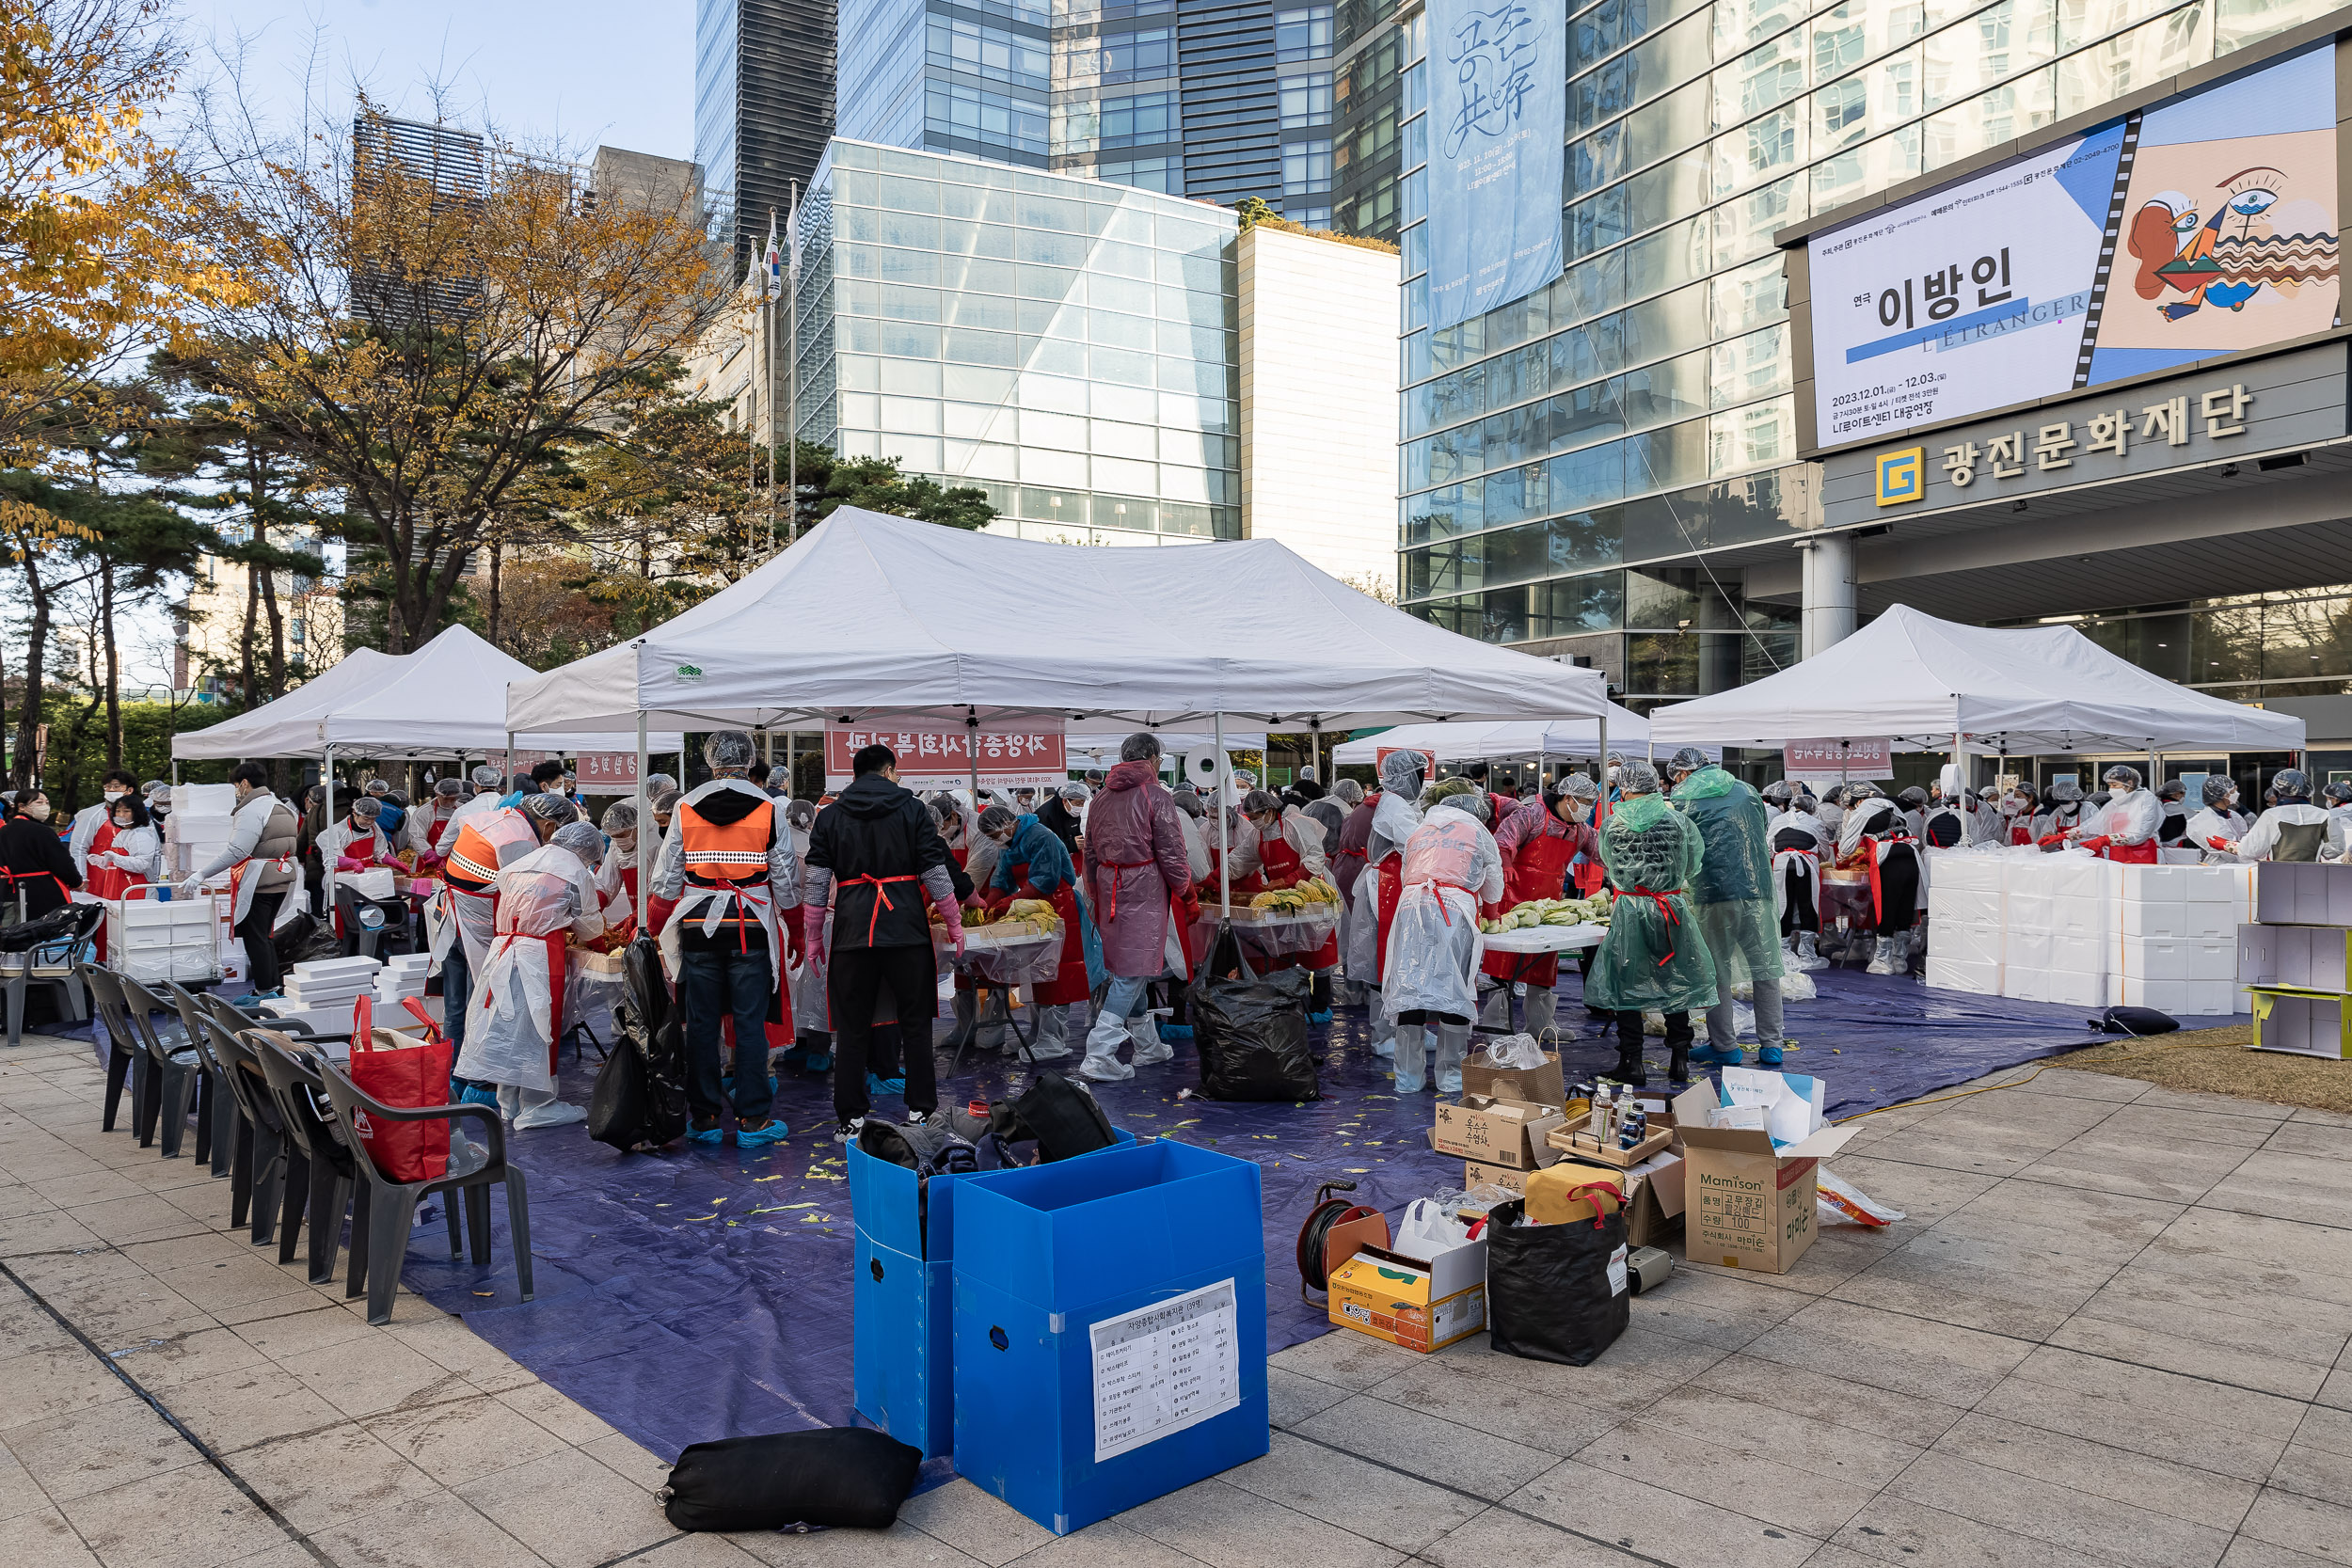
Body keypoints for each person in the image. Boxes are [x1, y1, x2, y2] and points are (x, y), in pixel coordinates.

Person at [651, 731, 803, 1148]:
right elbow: (786, 877)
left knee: (700, 1026)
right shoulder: (769, 807)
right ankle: (753, 1120)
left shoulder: (684, 806)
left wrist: (652, 925)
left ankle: (704, 1119)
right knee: (749, 1024)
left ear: (710, 761)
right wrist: (796, 928)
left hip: (697, 929)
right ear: (751, 760)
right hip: (749, 927)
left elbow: (666, 878)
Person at [803, 742, 959, 1137]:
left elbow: (817, 880)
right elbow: (935, 870)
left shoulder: (830, 816)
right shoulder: (913, 810)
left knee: (852, 1026)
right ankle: (921, 1112)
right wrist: (954, 922)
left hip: (853, 933)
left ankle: (851, 1119)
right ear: (889, 772)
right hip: (905, 929)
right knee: (916, 1023)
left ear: (855, 775)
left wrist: (812, 937)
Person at [455, 818, 609, 1129]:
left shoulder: (519, 863)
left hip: (502, 949)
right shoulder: (575, 871)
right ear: (588, 853)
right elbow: (589, 925)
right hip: (539, 954)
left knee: (509, 1023)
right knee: (540, 1027)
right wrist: (601, 943)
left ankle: (508, 1102)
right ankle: (539, 1105)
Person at [1584, 761, 1712, 1084]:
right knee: (1675, 980)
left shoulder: (1611, 825)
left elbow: (1609, 864)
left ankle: (1633, 1061)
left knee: (1626, 984)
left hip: (1629, 910)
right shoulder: (1679, 821)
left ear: (1624, 788)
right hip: (1670, 908)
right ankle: (1680, 1059)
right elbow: (1693, 862)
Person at [1079, 734, 1196, 1081]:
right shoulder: (1156, 795)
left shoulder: (1100, 797)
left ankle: (1148, 1045)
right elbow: (1173, 852)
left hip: (1108, 884)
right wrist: (1186, 892)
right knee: (1132, 972)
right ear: (1154, 758)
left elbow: (1088, 852)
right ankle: (1099, 1054)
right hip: (1142, 886)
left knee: (1131, 969)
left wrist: (1093, 889)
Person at [1381, 782, 1502, 1094]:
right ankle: (1451, 1078)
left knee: (1410, 987)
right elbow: (1493, 885)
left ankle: (1408, 1078)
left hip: (1410, 910)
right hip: (1454, 912)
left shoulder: (1420, 832)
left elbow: (1408, 872)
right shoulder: (1477, 832)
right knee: (1454, 988)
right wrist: (1492, 913)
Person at [1669, 749, 1787, 1069]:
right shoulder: (1747, 791)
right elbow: (1759, 833)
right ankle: (1772, 1045)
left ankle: (1725, 1045)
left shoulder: (1683, 799)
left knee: (1716, 971)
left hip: (1714, 893)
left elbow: (1683, 846)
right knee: (1766, 970)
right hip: (1758, 891)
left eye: (1676, 776)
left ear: (1684, 772)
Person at [439, 791, 556, 1066]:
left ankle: (450, 1067)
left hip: (452, 922)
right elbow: (522, 894)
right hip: (477, 930)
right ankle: (474, 1072)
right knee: (476, 1002)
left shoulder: (490, 819)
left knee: (454, 1004)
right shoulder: (519, 839)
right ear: (549, 824)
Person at [1480, 772, 1599, 1039]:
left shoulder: (1580, 830)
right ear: (1568, 798)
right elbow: (1502, 841)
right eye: (1585, 801)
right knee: (1503, 970)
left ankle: (1542, 1025)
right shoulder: (1531, 814)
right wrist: (1507, 862)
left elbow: (1602, 852)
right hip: (1512, 903)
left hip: (1547, 908)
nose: (1588, 808)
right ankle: (1496, 1027)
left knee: (1543, 968)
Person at [979, 799, 1092, 1061]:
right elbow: (1002, 880)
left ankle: (1054, 1040)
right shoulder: (1009, 844)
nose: (997, 840)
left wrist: (1010, 902)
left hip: (1059, 906)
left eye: (996, 835)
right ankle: (1038, 1033)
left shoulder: (1041, 836)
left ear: (1008, 824)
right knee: (1038, 972)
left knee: (1059, 974)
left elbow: (1046, 880)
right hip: (1031, 907)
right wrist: (987, 905)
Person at [1344, 750, 1430, 1058]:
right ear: (1406, 776)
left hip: (1400, 886)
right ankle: (1384, 1035)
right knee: (1388, 960)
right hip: (1386, 888)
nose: (1422, 780)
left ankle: (1410, 1028)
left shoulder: (1407, 803)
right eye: (1419, 774)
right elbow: (1415, 843)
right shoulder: (1394, 804)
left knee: (1405, 959)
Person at [188, 764, 299, 992]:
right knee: (264, 935)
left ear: (245, 783)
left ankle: (265, 989)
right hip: (281, 877)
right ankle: (272, 987)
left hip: (261, 880)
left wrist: (202, 873)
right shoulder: (282, 806)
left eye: (236, 786)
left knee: (255, 937)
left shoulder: (252, 810)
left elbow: (238, 850)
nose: (236, 791)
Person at [1836, 783, 1925, 974]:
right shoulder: (1892, 806)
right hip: (1910, 856)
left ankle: (1883, 962)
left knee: (1886, 907)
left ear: (1858, 800)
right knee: (1905, 907)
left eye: (1851, 806)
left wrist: (1842, 859)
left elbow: (1846, 846)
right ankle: (1899, 960)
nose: (1851, 810)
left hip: (1889, 857)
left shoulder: (1863, 810)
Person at [1768, 784, 1831, 972]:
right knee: (1807, 906)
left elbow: (1769, 847)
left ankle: (1783, 954)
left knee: (1782, 906)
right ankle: (1807, 955)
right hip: (1807, 864)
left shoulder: (1779, 820)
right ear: (1812, 809)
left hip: (1780, 863)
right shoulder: (1816, 823)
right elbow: (1825, 852)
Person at [0, 792, 79, 922]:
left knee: (15, 931)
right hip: (42, 890)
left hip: (9, 890)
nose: (45, 806)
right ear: (21, 806)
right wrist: (77, 882)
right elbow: (61, 862)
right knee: (44, 929)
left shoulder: (4, 831)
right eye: (39, 802)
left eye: (47, 802)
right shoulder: (42, 831)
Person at [2066, 765, 2163, 863]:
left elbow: (2141, 834)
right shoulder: (2115, 803)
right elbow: (2093, 825)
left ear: (2129, 783)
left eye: (2115, 785)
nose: (2111, 788)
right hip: (2118, 853)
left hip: (2142, 853)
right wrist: (2067, 835)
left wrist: (2107, 839)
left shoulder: (2146, 799)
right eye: (2110, 785)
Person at [2233, 768, 2330, 862]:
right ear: (2309, 791)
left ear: (2276, 792)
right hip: (2314, 873)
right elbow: (2333, 851)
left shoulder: (2271, 815)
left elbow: (2251, 851)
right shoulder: (2324, 815)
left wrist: (2236, 847)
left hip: (2280, 873)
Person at [68, 768, 140, 880]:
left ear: (129, 790)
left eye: (116, 786)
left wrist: (152, 878)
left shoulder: (141, 815)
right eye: (107, 787)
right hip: (99, 878)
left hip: (134, 877)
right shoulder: (90, 815)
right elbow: (78, 848)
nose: (111, 790)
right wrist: (81, 878)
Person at [2186, 776, 2251, 863]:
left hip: (2239, 865)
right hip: (2217, 867)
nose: (2236, 794)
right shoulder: (2203, 821)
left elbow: (2243, 838)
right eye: (2232, 792)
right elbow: (2227, 854)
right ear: (2222, 795)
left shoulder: (2234, 816)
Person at [1038, 782, 1087, 864]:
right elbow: (1044, 846)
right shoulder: (1047, 815)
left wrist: (1081, 840)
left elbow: (1075, 832)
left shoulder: (1072, 812)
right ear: (1065, 801)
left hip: (1064, 857)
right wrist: (1072, 845)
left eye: (1082, 804)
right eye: (1077, 803)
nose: (1080, 807)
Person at [2035, 778, 2089, 845]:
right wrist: (2049, 840)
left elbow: (2093, 834)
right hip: (2061, 854)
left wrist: (2064, 838)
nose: (2064, 806)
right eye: (2061, 803)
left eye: (2066, 802)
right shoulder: (2057, 813)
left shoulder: (2088, 809)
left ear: (2075, 798)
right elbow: (2043, 841)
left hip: (2083, 853)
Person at [2156, 780, 2192, 847]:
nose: (2184, 796)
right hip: (2178, 850)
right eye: (2183, 793)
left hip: (2157, 848)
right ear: (2176, 794)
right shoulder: (2183, 811)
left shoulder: (2155, 808)